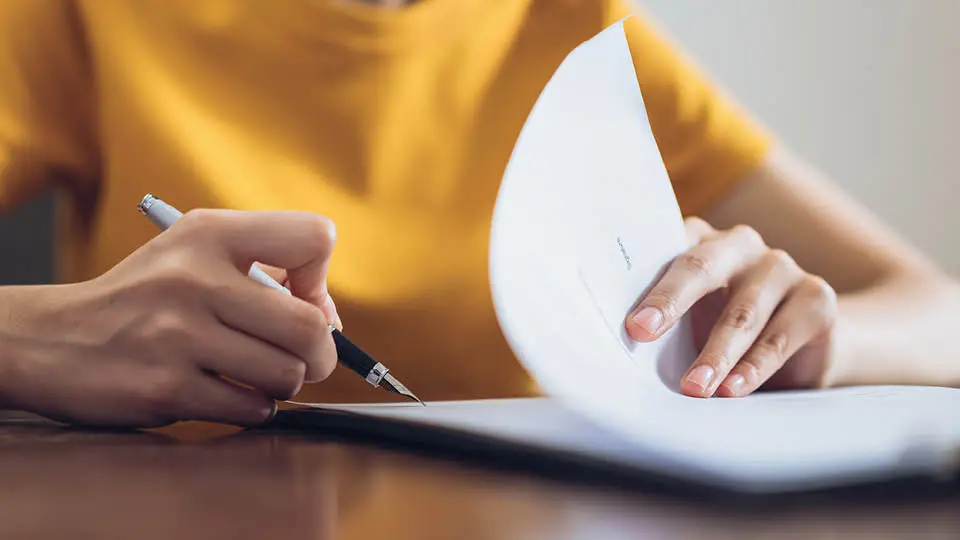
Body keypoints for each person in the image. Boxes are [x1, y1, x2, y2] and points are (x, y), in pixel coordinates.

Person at [0, 0, 957, 429]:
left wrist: (814, 341)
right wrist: (34, 337)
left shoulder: (575, 29)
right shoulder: (96, 11)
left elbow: (940, 313)